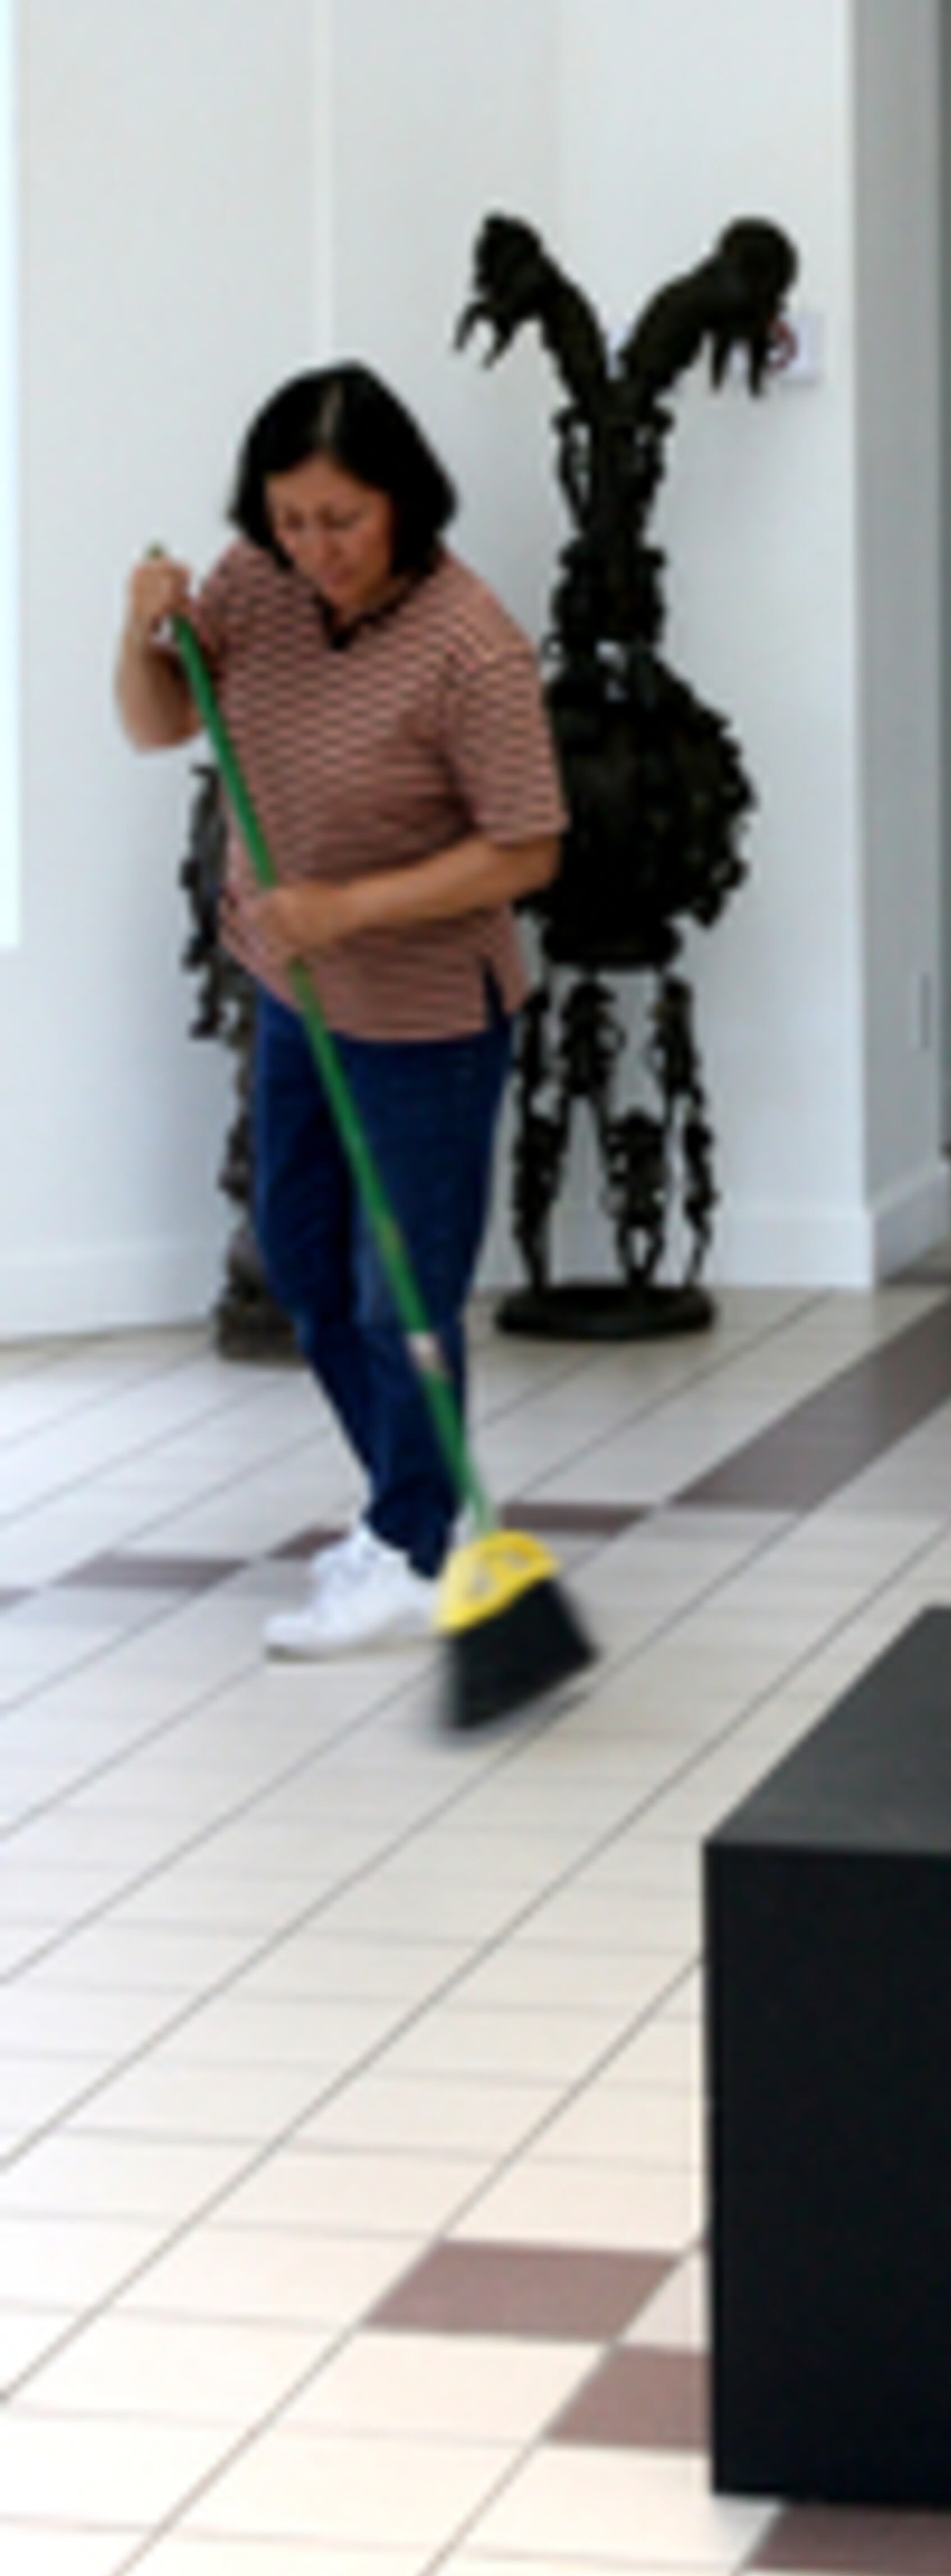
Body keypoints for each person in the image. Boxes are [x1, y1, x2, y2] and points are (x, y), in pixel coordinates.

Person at [116, 365, 565, 1656]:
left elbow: (527, 848)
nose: (314, 549)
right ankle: (422, 1516)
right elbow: (158, 725)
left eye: (341, 521)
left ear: (404, 501)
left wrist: (349, 908)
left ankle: (417, 1545)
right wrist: (140, 626)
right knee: (304, 1260)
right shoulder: (256, 581)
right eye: (290, 519)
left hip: (427, 1014)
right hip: (297, 995)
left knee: (399, 1296)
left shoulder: (470, 644)